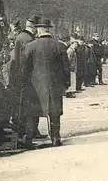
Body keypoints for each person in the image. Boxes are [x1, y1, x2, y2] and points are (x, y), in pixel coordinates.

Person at [21, 18, 70, 147]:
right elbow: (66, 68)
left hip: (35, 86)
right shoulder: (60, 46)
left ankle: (28, 139)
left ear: (39, 29)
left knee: (32, 113)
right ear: (49, 29)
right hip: (55, 85)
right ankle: (55, 137)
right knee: (55, 112)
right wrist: (66, 83)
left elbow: (24, 68)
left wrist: (24, 83)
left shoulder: (31, 46)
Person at [11, 15, 48, 145]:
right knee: (28, 108)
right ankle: (26, 135)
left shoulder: (23, 37)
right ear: (35, 27)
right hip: (28, 78)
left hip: (23, 77)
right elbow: (23, 60)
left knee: (28, 107)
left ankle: (31, 132)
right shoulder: (27, 39)